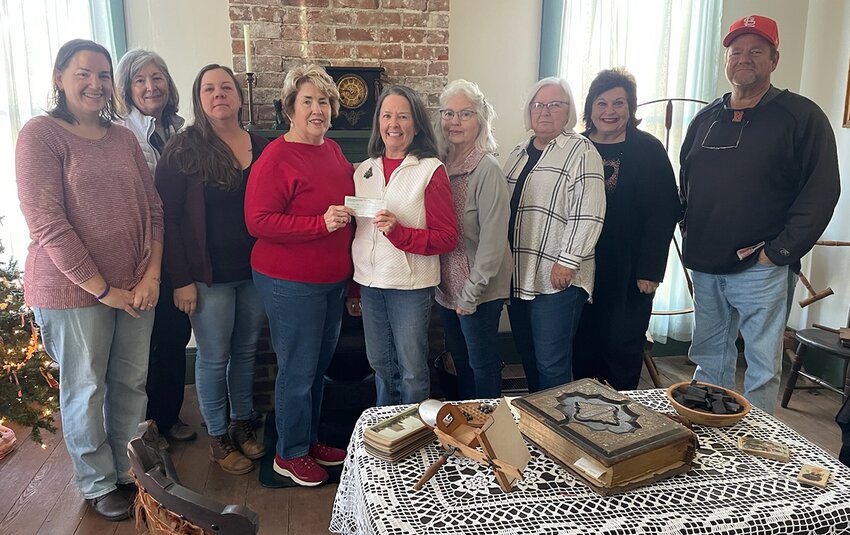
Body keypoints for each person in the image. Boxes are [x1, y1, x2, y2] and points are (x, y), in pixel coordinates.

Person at [15, 39, 163, 521]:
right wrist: (104, 289)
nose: (96, 84)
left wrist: (152, 273)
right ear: (59, 77)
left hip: (137, 287)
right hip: (73, 293)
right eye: (84, 74)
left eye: (103, 76)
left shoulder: (122, 138)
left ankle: (128, 471)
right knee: (86, 388)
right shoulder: (40, 135)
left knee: (130, 383)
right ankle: (98, 482)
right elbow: (48, 224)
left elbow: (153, 209)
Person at [679, 15, 840, 413]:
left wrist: (779, 251)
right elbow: (687, 184)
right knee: (708, 359)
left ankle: (756, 450)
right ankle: (708, 431)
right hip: (706, 264)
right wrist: (690, 232)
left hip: (762, 266)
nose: (744, 59)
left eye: (756, 51)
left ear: (775, 59)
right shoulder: (705, 120)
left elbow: (821, 191)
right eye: (736, 52)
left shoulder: (801, 117)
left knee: (762, 368)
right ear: (726, 61)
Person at [156, 64, 268, 475]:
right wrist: (181, 279)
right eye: (208, 88)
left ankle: (242, 424)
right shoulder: (183, 150)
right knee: (213, 355)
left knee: (245, 352)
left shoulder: (263, 145)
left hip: (257, 274)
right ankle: (218, 438)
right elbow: (166, 219)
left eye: (226, 87)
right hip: (207, 277)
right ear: (199, 99)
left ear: (238, 97)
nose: (218, 94)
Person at [245, 64, 354, 487]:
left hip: (329, 281)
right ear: (291, 107)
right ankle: (288, 453)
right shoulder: (276, 156)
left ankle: (307, 439)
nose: (317, 109)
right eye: (307, 100)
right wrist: (318, 225)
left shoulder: (332, 151)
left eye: (324, 101)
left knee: (317, 365)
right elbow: (257, 221)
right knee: (297, 367)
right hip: (289, 281)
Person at [572, 68, 681, 391]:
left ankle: (622, 424)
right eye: (601, 103)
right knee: (581, 348)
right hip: (582, 266)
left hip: (630, 272)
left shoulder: (648, 149)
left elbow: (664, 212)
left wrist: (650, 270)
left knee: (622, 348)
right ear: (590, 108)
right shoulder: (576, 148)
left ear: (630, 108)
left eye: (618, 103)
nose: (609, 111)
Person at [349, 85, 458, 406]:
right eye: (386, 116)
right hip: (369, 286)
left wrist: (399, 233)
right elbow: (360, 234)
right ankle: (388, 433)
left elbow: (446, 237)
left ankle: (412, 435)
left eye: (402, 116)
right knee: (381, 366)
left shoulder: (430, 170)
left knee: (411, 370)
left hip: (409, 288)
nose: (393, 124)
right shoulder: (364, 171)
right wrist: (354, 288)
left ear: (416, 124)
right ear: (378, 123)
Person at [503, 77, 606, 393]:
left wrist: (568, 260)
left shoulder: (581, 150)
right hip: (520, 274)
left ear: (568, 111)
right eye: (538, 104)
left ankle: (560, 435)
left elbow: (589, 211)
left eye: (554, 104)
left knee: (552, 363)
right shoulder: (519, 152)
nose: (544, 111)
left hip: (557, 276)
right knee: (530, 358)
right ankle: (538, 424)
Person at [114, 48, 194, 445]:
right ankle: (141, 429)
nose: (150, 86)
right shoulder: (120, 131)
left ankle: (168, 416)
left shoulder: (179, 129)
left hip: (173, 247)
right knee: (141, 347)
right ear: (126, 88)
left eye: (157, 77)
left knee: (174, 334)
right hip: (138, 254)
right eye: (140, 80)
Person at [434, 79, 511, 399]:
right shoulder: (439, 163)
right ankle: (467, 427)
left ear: (480, 118)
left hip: (479, 288)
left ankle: (492, 430)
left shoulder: (487, 168)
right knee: (461, 362)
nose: (455, 121)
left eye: (464, 114)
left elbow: (493, 240)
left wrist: (471, 292)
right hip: (447, 287)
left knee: (482, 365)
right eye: (448, 113)